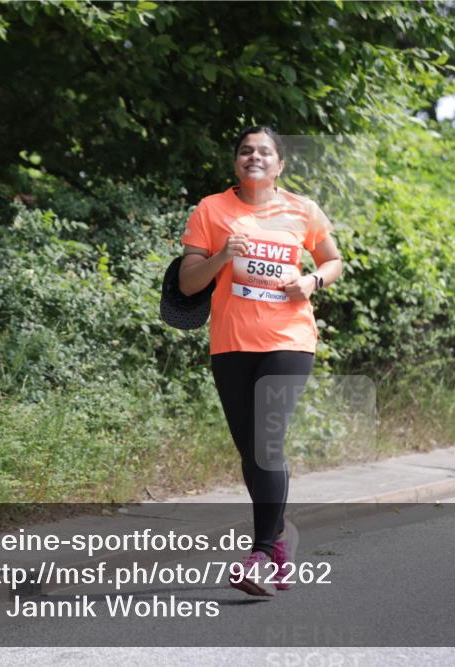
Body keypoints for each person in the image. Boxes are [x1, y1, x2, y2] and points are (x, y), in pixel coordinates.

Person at [178, 126, 342, 596]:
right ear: (236, 163)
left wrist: (312, 284)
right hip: (231, 343)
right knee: (251, 452)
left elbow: (333, 261)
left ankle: (262, 554)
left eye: (264, 151)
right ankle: (281, 537)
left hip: (289, 339)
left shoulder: (301, 209)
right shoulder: (212, 210)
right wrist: (222, 256)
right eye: (246, 151)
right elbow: (189, 284)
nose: (255, 157)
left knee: (267, 444)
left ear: (279, 164)